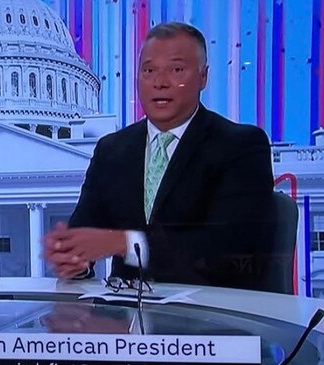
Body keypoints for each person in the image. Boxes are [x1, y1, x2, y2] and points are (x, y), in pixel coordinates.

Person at [44, 22, 275, 291]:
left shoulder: (241, 146)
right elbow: (83, 236)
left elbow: (230, 249)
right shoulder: (111, 150)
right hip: (125, 320)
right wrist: (74, 260)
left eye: (176, 70)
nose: (160, 83)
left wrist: (124, 243)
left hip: (213, 320)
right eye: (149, 70)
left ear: (203, 76)